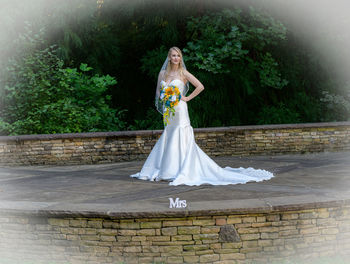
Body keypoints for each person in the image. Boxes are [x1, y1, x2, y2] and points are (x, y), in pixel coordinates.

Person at [130, 47, 274, 186]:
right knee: (169, 133)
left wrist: (186, 98)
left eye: (178, 55)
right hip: (169, 111)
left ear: (180, 58)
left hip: (180, 109)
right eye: (173, 55)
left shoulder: (183, 73)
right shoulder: (162, 74)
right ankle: (166, 169)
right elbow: (158, 91)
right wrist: (164, 100)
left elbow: (200, 86)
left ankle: (180, 169)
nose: (176, 58)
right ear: (169, 57)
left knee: (180, 133)